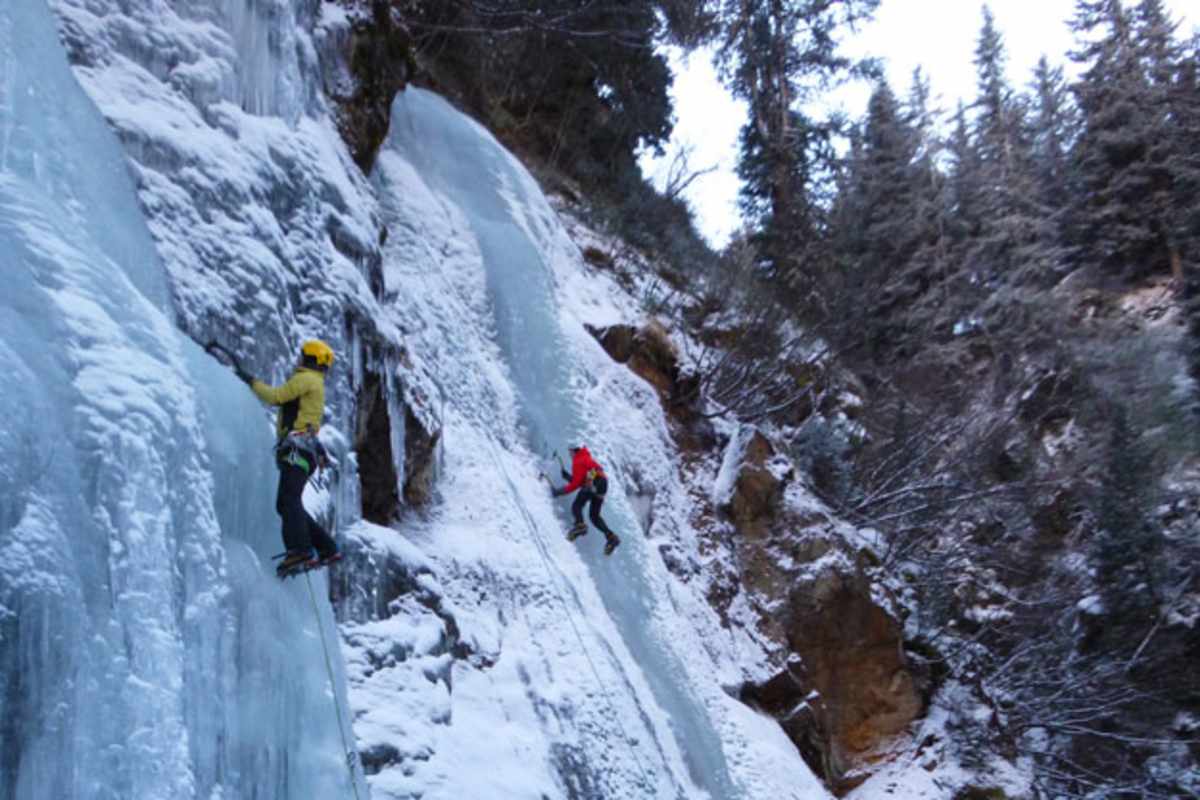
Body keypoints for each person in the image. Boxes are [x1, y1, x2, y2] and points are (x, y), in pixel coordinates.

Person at [237, 339, 340, 577]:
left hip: (296, 449)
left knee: (288, 499)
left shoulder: (306, 379)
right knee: (286, 503)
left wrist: (251, 382)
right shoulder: (316, 383)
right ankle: (326, 547)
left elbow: (276, 397)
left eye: (303, 356)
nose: (299, 359)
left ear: (310, 359)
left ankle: (300, 548)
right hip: (304, 450)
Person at [552, 444, 621, 556]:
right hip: (602, 484)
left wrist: (558, 492)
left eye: (570, 452)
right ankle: (611, 537)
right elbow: (580, 481)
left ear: (574, 451)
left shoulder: (579, 460)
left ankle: (580, 526)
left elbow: (579, 483)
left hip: (595, 481)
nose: (569, 455)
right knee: (594, 516)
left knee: (577, 506)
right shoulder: (585, 457)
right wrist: (568, 477)